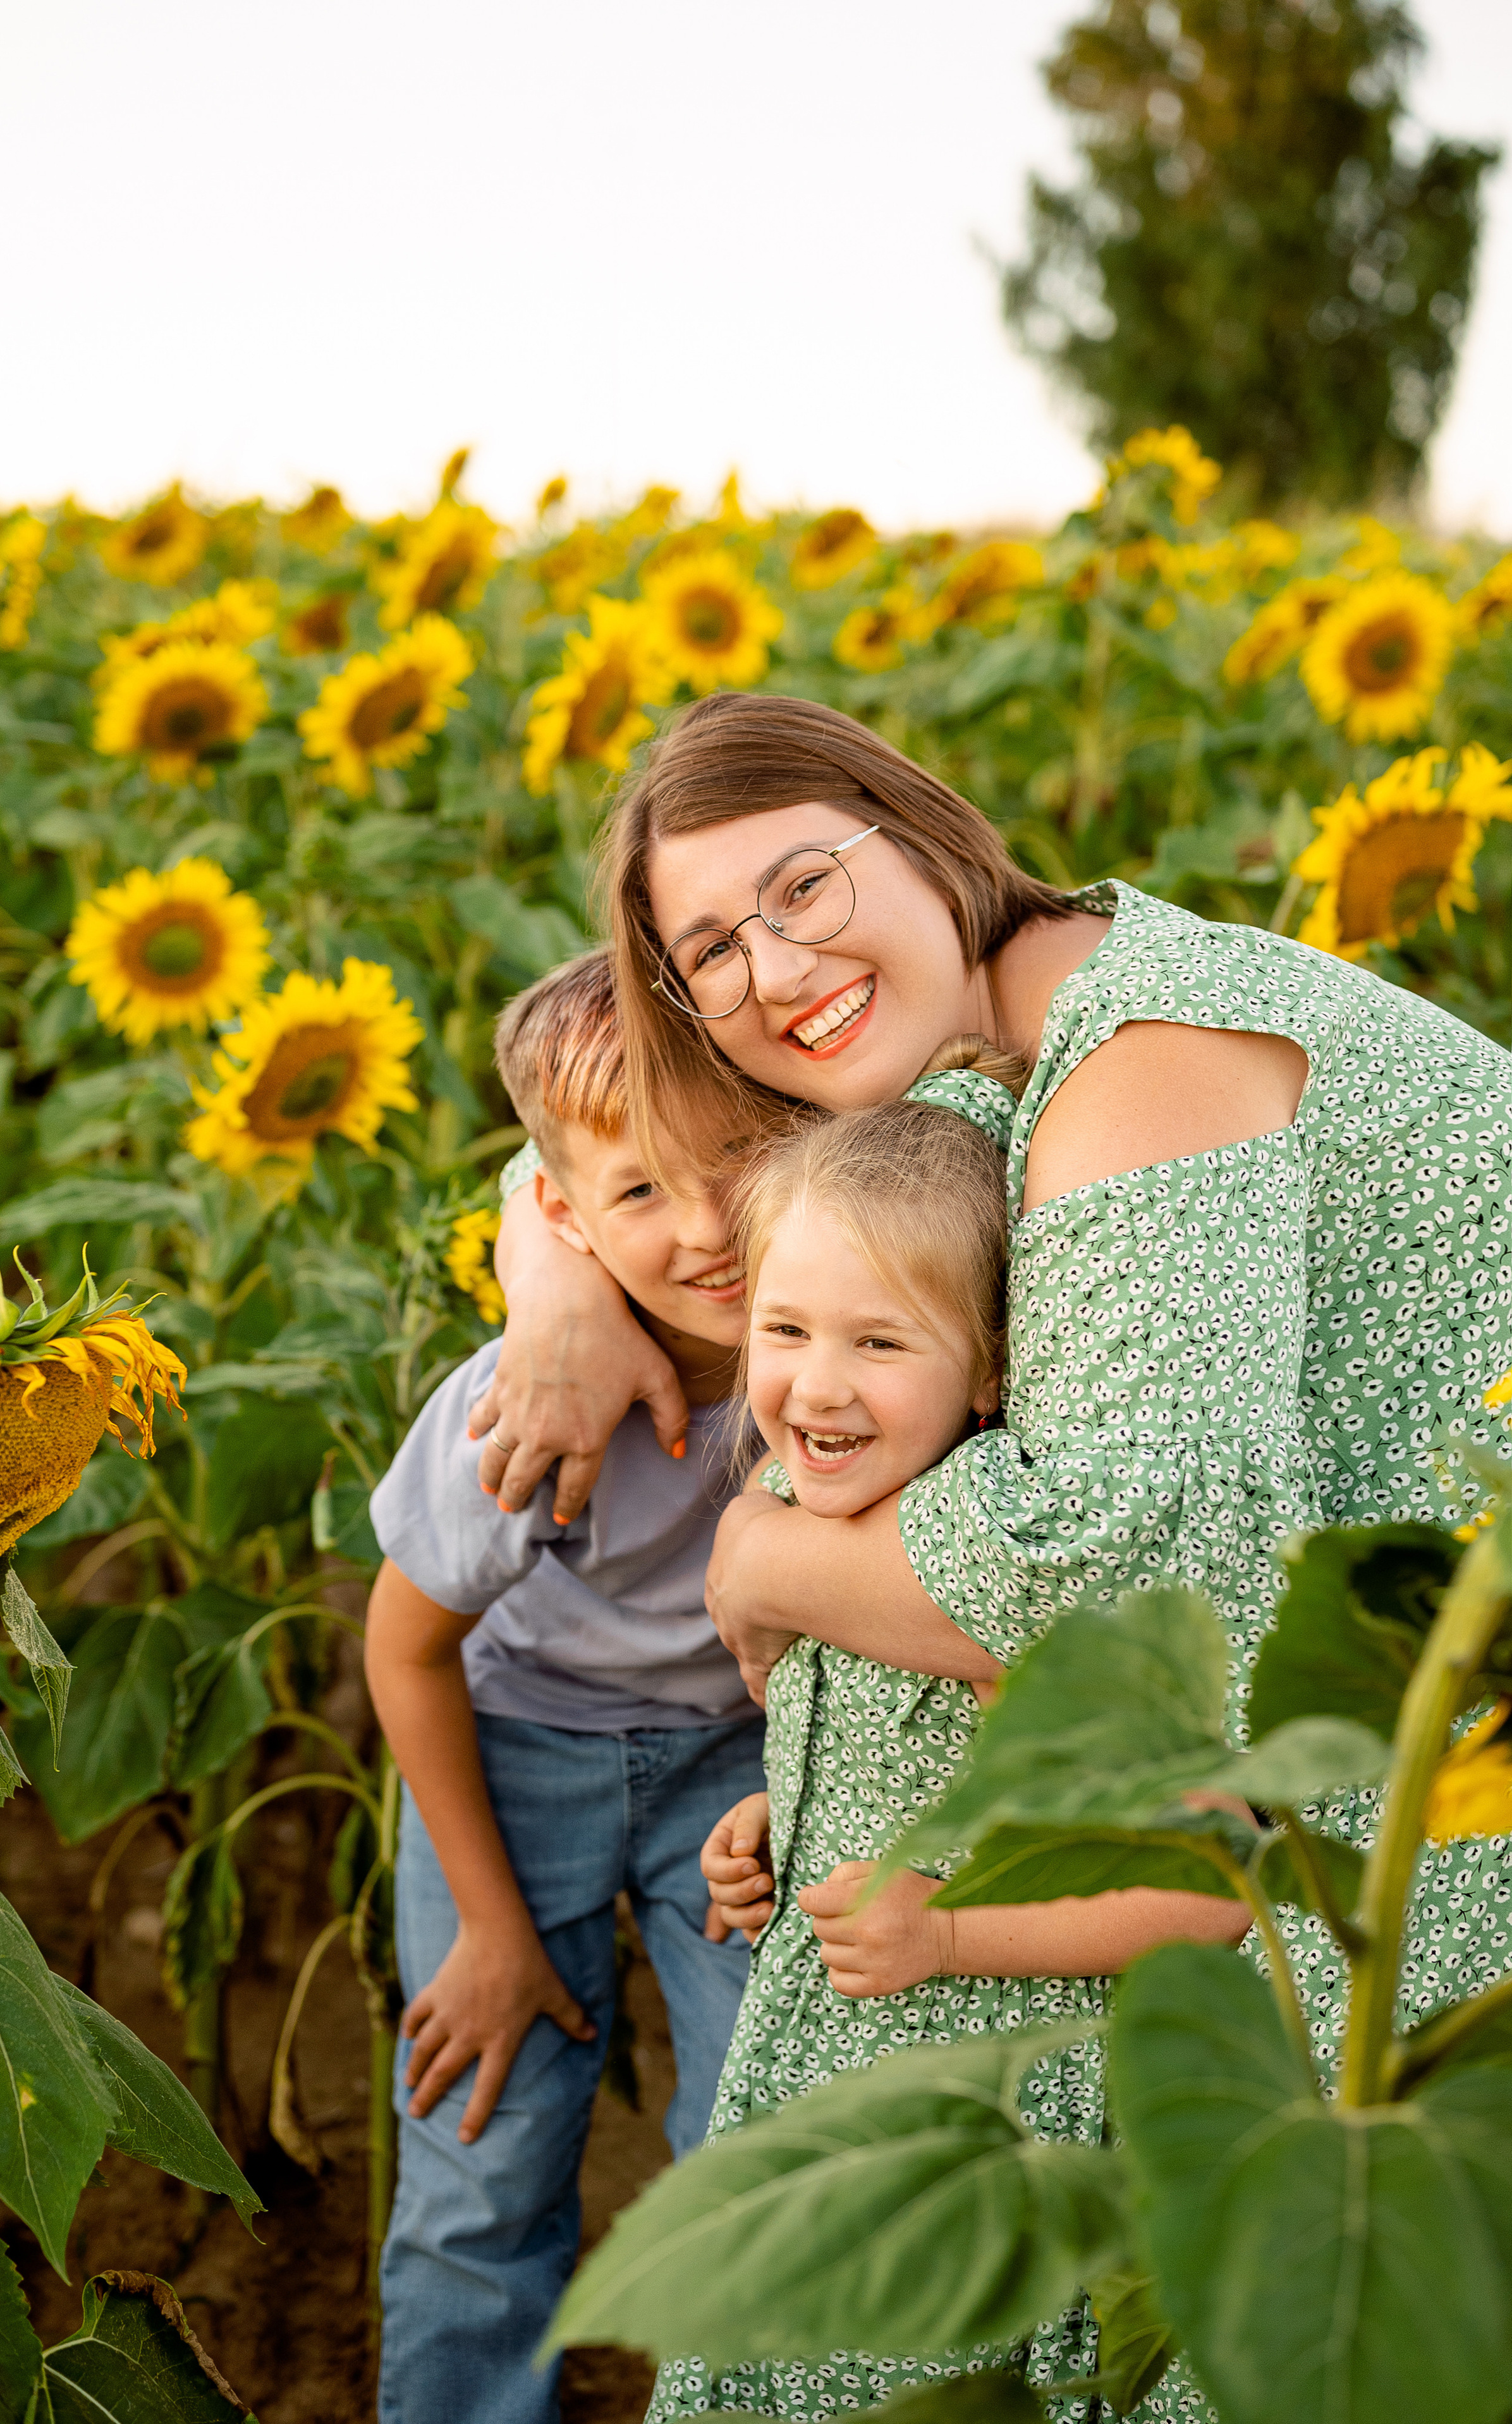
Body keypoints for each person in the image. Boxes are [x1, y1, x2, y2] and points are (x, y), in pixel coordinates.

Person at [475, 693, 1512, 2416]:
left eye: (803, 886)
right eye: (709, 951)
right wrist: (552, 1276)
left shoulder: (1140, 1064)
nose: (775, 969)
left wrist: (758, 1563)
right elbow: (583, 1145)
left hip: (1435, 1824)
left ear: (921, 833)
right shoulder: (1002, 1039)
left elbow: (1119, 1588)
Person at [656, 1067, 1255, 2417]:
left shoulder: (991, 1573)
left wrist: (943, 1932)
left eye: (881, 1342)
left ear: (990, 1369)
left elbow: (1214, 1882)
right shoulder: (805, 1503)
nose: (817, 1384)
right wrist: (782, 1817)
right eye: (784, 1328)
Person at [364, 948, 769, 2424]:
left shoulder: (846, 1353)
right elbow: (405, 1649)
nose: (706, 1227)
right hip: (512, 1751)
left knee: (764, 2137)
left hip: (741, 1762)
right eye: (642, 1189)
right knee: (480, 2158)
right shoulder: (527, 1406)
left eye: (735, 1160)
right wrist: (487, 1928)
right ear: (561, 1216)